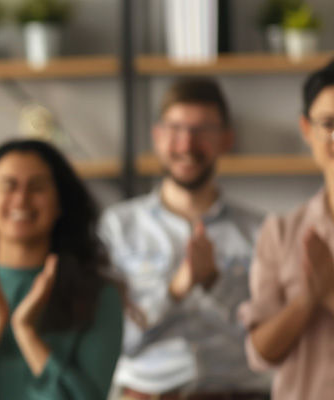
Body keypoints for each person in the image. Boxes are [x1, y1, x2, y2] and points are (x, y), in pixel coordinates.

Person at [101, 78, 271, 399]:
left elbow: (269, 343)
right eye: (176, 129)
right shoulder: (117, 227)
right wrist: (175, 291)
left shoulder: (261, 231)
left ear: (226, 139)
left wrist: (214, 285)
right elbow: (110, 342)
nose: (187, 144)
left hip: (237, 392)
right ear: (157, 137)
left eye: (203, 130)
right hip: (145, 393)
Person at [0, 139, 124, 399]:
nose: (21, 198)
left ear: (60, 202)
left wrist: (27, 333)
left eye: (37, 187)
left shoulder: (100, 297)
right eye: (9, 186)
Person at [239, 59, 334, 400]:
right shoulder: (280, 232)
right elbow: (259, 354)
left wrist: (330, 295)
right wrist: (308, 299)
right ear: (307, 130)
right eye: (329, 124)